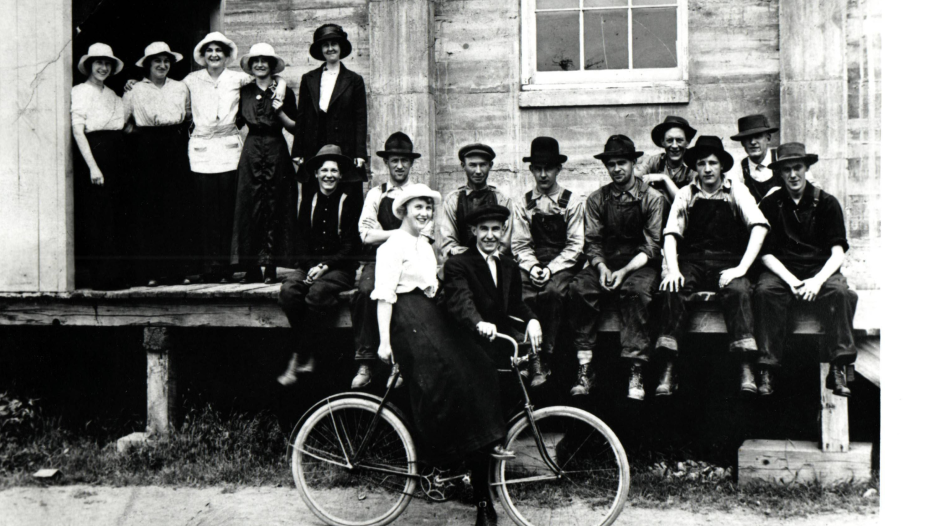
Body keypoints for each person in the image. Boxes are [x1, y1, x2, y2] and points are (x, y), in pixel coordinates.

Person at [372, 185, 514, 526]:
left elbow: (436, 289)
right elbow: (384, 297)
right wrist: (383, 342)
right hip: (406, 318)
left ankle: (476, 461)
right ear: (403, 210)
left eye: (428, 209)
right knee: (446, 376)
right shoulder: (391, 247)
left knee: (476, 364)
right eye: (418, 207)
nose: (424, 213)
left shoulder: (424, 244)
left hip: (430, 313)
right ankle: (446, 461)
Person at [656, 136, 770, 396]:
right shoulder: (686, 194)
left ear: (721, 166)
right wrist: (673, 270)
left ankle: (745, 366)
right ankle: (668, 368)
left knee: (740, 291)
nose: (707, 169)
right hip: (693, 262)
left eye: (712, 163)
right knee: (673, 288)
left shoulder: (736, 190)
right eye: (701, 163)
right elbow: (671, 234)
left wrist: (741, 268)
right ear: (695, 167)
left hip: (727, 262)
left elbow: (760, 226)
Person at [753, 143, 858, 397]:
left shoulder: (827, 203)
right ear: (780, 173)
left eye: (797, 167)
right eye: (786, 169)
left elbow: (837, 252)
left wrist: (817, 281)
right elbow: (764, 252)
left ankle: (839, 367)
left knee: (841, 293)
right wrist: (792, 281)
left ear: (806, 168)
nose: (792, 175)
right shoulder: (771, 204)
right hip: (783, 271)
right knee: (765, 292)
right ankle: (767, 368)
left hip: (820, 270)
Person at [181, 32, 286, 283]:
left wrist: (281, 87)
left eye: (219, 50)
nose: (214, 54)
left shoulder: (239, 78)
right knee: (205, 208)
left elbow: (271, 77)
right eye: (210, 51)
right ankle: (209, 269)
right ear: (203, 56)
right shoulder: (191, 80)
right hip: (201, 149)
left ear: (227, 56)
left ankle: (229, 268)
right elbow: (179, 102)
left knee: (232, 209)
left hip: (229, 149)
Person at [567, 135, 667, 399]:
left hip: (640, 265)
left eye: (622, 162)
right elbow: (592, 242)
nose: (616, 169)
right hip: (606, 263)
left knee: (636, 293)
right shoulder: (597, 199)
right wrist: (601, 268)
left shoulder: (652, 198)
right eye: (611, 164)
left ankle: (636, 371)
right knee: (578, 288)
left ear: (634, 162)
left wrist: (623, 273)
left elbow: (652, 246)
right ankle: (585, 367)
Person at [277, 145, 361, 386]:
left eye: (334, 170)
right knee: (289, 292)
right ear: (316, 173)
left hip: (340, 269)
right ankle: (309, 348)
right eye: (324, 170)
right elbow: (300, 242)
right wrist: (312, 265)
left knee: (316, 293)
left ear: (341, 175)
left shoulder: (348, 201)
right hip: (311, 266)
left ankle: (299, 357)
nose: (329, 175)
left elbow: (349, 248)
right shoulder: (309, 200)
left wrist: (324, 266)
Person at [511, 137, 584, 387]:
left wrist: (549, 269)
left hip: (561, 265)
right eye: (538, 168)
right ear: (531, 169)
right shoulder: (523, 203)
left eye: (549, 168)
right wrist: (532, 266)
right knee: (519, 292)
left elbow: (576, 246)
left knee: (553, 293)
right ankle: (529, 356)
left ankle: (547, 356)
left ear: (558, 169)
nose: (543, 174)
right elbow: (519, 244)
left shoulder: (571, 202)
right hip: (532, 263)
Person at [350, 132, 419, 389]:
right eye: (394, 160)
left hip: (408, 260)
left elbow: (424, 235)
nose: (399, 166)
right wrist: (402, 231)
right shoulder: (375, 195)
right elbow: (366, 235)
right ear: (386, 163)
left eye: (403, 160)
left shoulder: (418, 195)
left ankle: (398, 364)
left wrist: (385, 233)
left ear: (411, 164)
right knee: (366, 292)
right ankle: (366, 361)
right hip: (377, 261)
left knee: (405, 297)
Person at [122, 42, 193, 287]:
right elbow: (124, 122)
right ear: (148, 65)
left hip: (175, 145)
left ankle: (178, 270)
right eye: (157, 62)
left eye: (166, 61)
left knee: (177, 207)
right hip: (147, 148)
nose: (162, 65)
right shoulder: (134, 90)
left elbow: (189, 115)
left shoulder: (181, 87)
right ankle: (151, 271)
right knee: (150, 209)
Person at [231, 43, 299, 284]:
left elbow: (295, 126)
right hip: (251, 151)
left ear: (271, 65)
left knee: (274, 203)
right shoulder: (244, 91)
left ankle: (270, 266)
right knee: (250, 205)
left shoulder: (284, 91)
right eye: (255, 61)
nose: (260, 64)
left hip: (275, 149)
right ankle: (250, 267)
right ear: (251, 65)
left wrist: (279, 111)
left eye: (265, 60)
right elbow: (236, 122)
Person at [441, 204, 544, 356]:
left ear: (503, 230)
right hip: (468, 339)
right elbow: (462, 301)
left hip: (500, 339)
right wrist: (479, 323)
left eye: (495, 229)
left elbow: (515, 304)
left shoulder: (510, 265)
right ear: (474, 231)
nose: (490, 236)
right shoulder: (457, 264)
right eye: (484, 229)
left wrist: (532, 320)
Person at [71, 43, 130, 290]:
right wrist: (93, 167)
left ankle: (116, 276)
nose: (103, 68)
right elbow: (77, 130)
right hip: (95, 156)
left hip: (116, 154)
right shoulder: (79, 91)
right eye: (98, 63)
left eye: (107, 63)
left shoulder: (112, 94)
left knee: (115, 214)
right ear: (89, 66)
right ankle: (101, 278)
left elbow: (124, 124)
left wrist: (130, 91)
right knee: (97, 216)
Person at [292, 24, 368, 201]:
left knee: (346, 195)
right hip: (314, 146)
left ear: (341, 48)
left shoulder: (354, 80)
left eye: (334, 44)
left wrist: (360, 153)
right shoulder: (308, 78)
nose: (330, 48)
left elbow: (360, 118)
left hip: (345, 146)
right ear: (320, 49)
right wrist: (297, 150)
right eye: (326, 45)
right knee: (313, 195)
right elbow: (301, 116)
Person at [439, 143, 513, 261]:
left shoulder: (502, 199)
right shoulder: (453, 200)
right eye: (473, 165)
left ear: (490, 165)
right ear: (463, 165)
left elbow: (505, 243)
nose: (478, 171)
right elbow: (448, 244)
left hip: (494, 262)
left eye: (482, 165)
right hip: (462, 263)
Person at [634, 115, 699, 205]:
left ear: (687, 142)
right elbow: (634, 181)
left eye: (679, 140)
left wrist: (664, 178)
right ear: (662, 142)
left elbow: (687, 203)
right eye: (669, 140)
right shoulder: (654, 161)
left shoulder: (694, 166)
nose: (674, 146)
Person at [730, 114, 781, 203]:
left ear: (768, 138)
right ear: (742, 143)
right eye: (747, 138)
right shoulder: (738, 171)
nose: (753, 142)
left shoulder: (781, 161)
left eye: (758, 136)